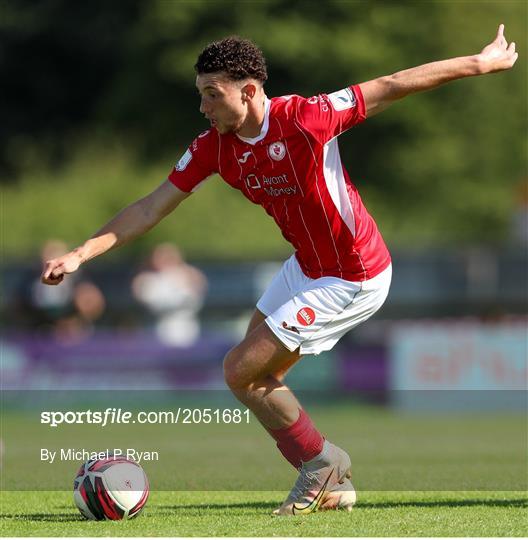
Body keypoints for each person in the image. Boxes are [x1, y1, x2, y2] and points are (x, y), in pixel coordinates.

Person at [41, 26, 517, 515]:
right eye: (200, 95)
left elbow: (393, 83)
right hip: (306, 267)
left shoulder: (306, 117)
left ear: (248, 91)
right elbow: (149, 208)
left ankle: (322, 465)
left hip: (353, 272)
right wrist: (81, 253)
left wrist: (479, 64)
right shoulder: (214, 147)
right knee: (251, 378)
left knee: (240, 370)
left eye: (212, 95)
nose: (204, 107)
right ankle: (331, 478)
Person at [131, 243, 207, 346]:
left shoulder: (187, 274)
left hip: (187, 330)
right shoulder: (148, 279)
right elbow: (153, 303)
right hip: (159, 331)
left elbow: (196, 296)